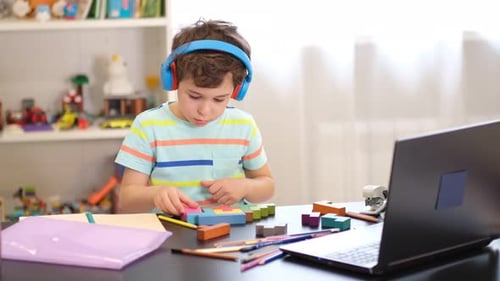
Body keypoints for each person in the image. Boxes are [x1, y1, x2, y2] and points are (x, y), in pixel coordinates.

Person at [115, 19, 275, 216]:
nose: (205, 110)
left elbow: (267, 185)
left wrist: (245, 187)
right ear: (174, 79)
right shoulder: (147, 126)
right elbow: (127, 198)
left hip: (233, 233)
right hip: (174, 231)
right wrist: (155, 194)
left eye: (219, 99)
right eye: (194, 96)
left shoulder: (244, 125)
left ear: (237, 89)